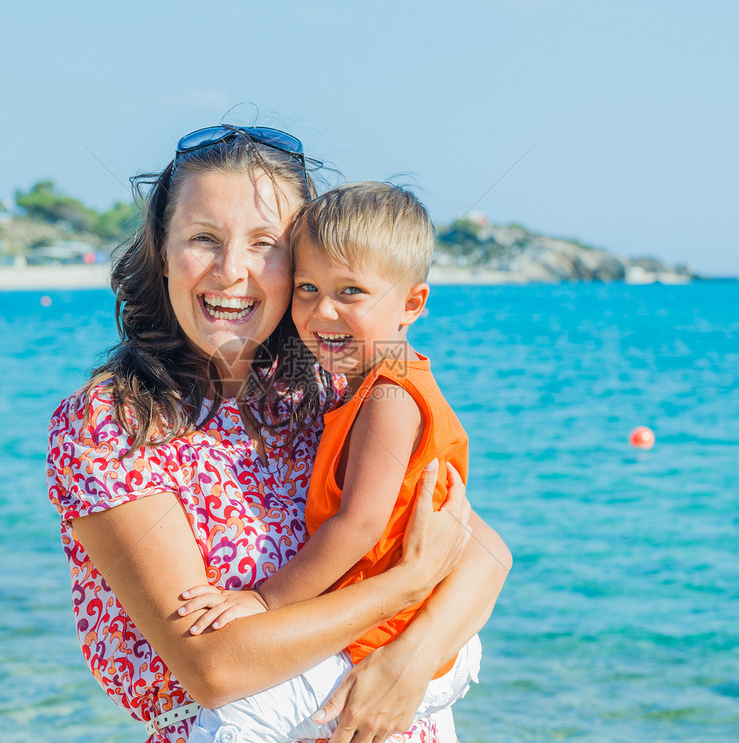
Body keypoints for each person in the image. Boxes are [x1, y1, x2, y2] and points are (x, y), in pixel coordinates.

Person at [46, 125, 511, 743]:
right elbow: (214, 665)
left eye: (265, 244)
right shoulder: (115, 422)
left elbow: (482, 553)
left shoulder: (329, 389)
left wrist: (411, 658)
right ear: (162, 253)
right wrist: (407, 584)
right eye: (203, 239)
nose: (232, 272)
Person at [181, 183, 482, 743]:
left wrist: (264, 600)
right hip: (398, 632)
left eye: (351, 292)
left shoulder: (390, 399)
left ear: (412, 304)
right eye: (307, 288)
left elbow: (360, 523)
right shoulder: (365, 384)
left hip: (387, 639)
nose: (322, 311)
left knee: (238, 721)